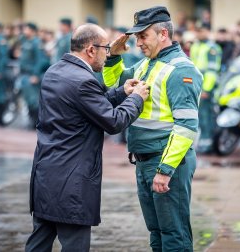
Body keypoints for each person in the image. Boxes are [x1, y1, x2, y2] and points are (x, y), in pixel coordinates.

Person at [25, 23, 149, 252]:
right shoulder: (83, 80)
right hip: (71, 182)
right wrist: (137, 99)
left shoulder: (55, 70)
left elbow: (85, 106)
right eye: (106, 49)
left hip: (45, 176)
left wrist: (122, 92)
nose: (107, 54)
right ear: (91, 49)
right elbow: (113, 122)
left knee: (38, 245)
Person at [102, 6, 203, 251]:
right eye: (136, 37)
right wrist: (113, 57)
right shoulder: (147, 64)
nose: (138, 43)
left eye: (143, 36)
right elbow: (115, 85)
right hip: (145, 160)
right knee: (157, 233)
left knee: (173, 234)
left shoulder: (181, 70)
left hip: (166, 164)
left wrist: (165, 170)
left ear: (163, 35)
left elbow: (187, 127)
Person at [190, 24, 222, 154]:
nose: (199, 34)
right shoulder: (195, 46)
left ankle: (208, 143)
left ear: (208, 32)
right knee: (199, 116)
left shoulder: (212, 48)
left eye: (202, 31)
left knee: (206, 116)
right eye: (197, 31)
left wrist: (207, 89)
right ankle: (203, 142)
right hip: (196, 86)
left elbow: (212, 71)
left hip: (206, 88)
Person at [19, 22, 45, 127]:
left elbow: (40, 60)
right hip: (24, 75)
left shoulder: (36, 42)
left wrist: (36, 75)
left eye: (26, 29)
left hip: (31, 75)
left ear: (32, 31)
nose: (24, 31)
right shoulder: (25, 42)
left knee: (34, 100)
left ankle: (36, 122)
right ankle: (31, 121)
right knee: (27, 99)